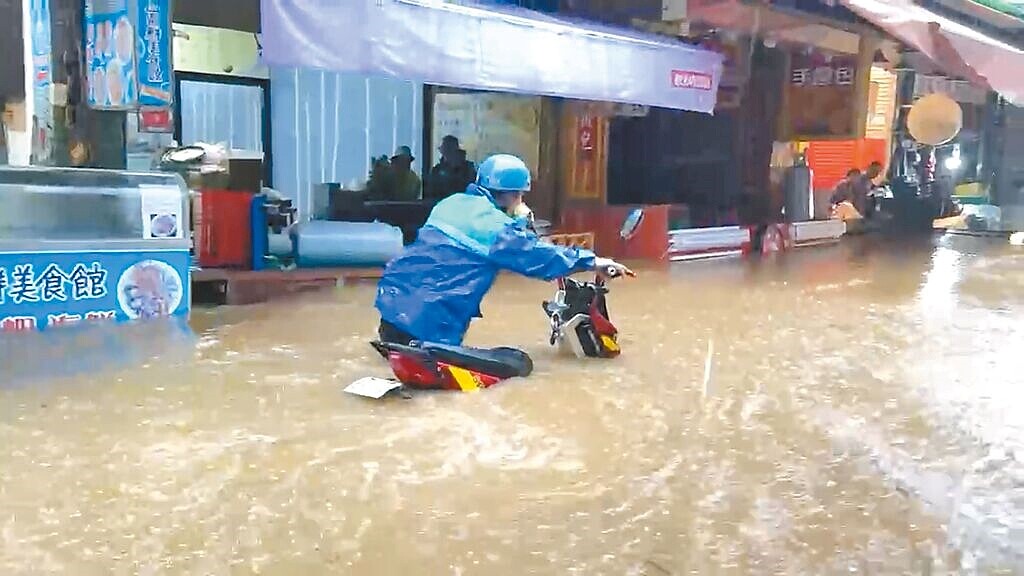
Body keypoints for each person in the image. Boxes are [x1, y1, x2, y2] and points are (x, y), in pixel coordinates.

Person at [375, 154, 632, 347]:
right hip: (429, 328)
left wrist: (515, 223)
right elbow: (538, 258)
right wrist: (594, 261)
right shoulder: (501, 231)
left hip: (390, 315)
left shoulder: (450, 203)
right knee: (519, 366)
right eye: (520, 195)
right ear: (513, 195)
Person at [426, 135, 477, 200]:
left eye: (448, 149)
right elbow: (431, 193)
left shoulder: (468, 169)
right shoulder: (437, 170)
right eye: (444, 149)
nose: (445, 153)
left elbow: (472, 189)